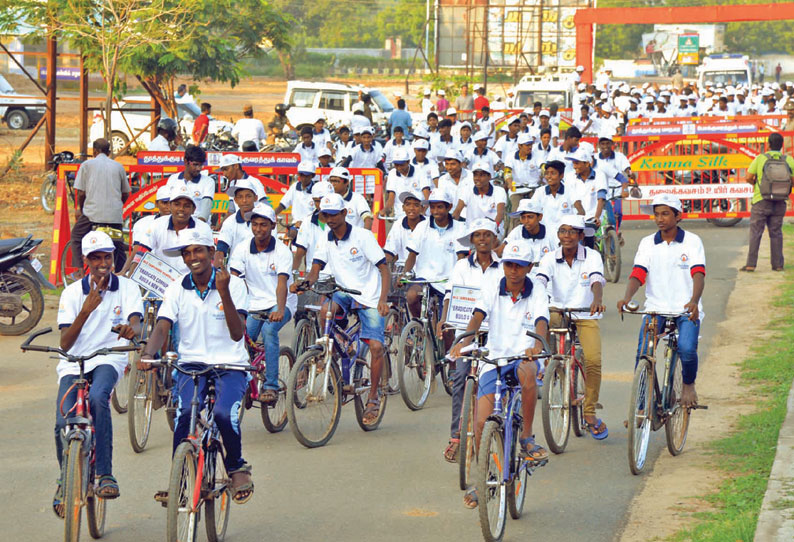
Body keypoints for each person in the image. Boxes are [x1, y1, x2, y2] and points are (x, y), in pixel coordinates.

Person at [143, 227, 254, 505]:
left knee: (223, 413)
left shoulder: (235, 285)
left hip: (231, 364)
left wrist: (224, 292)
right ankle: (179, 480)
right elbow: (163, 325)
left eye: (198, 250)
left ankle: (236, 466)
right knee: (184, 414)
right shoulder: (176, 288)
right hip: (191, 364)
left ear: (212, 253)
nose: (193, 257)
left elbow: (238, 333)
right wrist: (147, 353)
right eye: (186, 252)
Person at [449, 240, 550, 509]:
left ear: (529, 267)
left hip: (522, 356)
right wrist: (465, 340)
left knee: (528, 375)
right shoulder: (492, 286)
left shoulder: (537, 289)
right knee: (482, 422)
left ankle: (526, 437)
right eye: (508, 264)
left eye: (519, 265)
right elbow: (478, 315)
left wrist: (537, 345)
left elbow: (542, 320)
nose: (513, 270)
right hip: (493, 359)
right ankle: (485, 480)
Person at [54, 231, 143, 515]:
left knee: (98, 396)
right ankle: (64, 480)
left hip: (108, 357)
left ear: (114, 259)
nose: (103, 263)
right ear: (85, 261)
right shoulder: (71, 293)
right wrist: (86, 311)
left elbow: (136, 325)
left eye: (107, 257)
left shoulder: (128, 288)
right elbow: (65, 343)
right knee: (62, 421)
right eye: (96, 258)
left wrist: (131, 331)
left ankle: (105, 473)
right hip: (73, 361)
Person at [294, 193, 391, 424]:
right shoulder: (325, 238)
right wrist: (306, 282)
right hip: (343, 291)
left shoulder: (363, 236)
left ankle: (374, 397)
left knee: (376, 346)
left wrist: (383, 299)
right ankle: (335, 350)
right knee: (325, 310)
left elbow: (384, 268)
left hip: (369, 296)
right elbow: (316, 267)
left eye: (334, 214)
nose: (330, 219)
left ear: (345, 213)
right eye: (325, 215)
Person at [617, 194, 705, 409]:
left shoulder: (692, 241)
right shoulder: (647, 243)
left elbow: (698, 274)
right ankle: (640, 408)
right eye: (656, 214)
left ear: (678, 216)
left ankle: (688, 385)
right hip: (656, 309)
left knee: (686, 348)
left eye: (665, 213)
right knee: (643, 354)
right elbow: (638, 273)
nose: (659, 219)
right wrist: (627, 297)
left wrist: (694, 301)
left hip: (686, 310)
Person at [535, 215, 608, 439]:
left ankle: (589, 412)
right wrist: (537, 301)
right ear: (558, 234)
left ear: (580, 235)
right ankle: (547, 363)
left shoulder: (592, 256)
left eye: (572, 232)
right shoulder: (549, 258)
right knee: (540, 325)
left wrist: (596, 299)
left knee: (593, 360)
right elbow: (540, 281)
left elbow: (596, 280)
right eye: (563, 231)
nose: (567, 236)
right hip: (558, 311)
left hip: (586, 312)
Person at [438, 218, 502, 463]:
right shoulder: (462, 266)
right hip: (466, 330)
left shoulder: (505, 266)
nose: (483, 239)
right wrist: (444, 319)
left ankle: (498, 431)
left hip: (496, 331)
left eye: (487, 235)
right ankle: (456, 436)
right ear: (472, 240)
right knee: (460, 379)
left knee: (499, 381)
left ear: (495, 240)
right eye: (478, 235)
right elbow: (450, 294)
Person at [229, 203, 296, 403]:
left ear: (273, 226)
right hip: (254, 303)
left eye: (263, 225)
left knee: (269, 331)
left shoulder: (282, 252)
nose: (259, 229)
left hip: (281, 302)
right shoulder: (242, 248)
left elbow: (282, 284)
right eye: (255, 224)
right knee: (239, 336)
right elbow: (234, 279)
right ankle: (243, 379)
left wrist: (281, 309)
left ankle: (271, 386)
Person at [401, 188, 468, 320]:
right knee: (411, 296)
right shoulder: (422, 226)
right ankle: (418, 327)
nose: (435, 211)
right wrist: (405, 274)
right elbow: (412, 255)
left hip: (448, 281)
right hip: (424, 278)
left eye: (440, 207)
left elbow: (461, 258)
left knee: (446, 327)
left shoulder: (460, 227)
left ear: (449, 207)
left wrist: (460, 280)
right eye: (432, 207)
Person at [70, 138, 131, 276]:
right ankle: (123, 275)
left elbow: (81, 193)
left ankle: (79, 271)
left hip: (92, 215)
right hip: (114, 216)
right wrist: (118, 205)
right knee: (118, 246)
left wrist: (81, 209)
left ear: (94, 151)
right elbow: (126, 193)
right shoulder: (118, 166)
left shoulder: (86, 165)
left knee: (76, 236)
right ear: (109, 152)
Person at [132, 180, 214, 275]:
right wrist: (131, 281)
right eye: (177, 204)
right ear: (170, 206)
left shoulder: (203, 228)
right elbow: (141, 253)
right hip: (161, 280)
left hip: (192, 279)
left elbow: (210, 258)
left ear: (193, 210)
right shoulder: (157, 224)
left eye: (186, 206)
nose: (181, 209)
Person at [741, 132, 794, 272]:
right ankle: (777, 265)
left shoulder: (760, 158)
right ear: (782, 145)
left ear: (768, 144)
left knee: (756, 232)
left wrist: (757, 185)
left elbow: (748, 176)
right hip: (780, 201)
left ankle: (751, 264)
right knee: (776, 233)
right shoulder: (788, 160)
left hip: (761, 200)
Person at [566, 148, 607, 248]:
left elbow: (601, 198)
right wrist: (580, 212)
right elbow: (572, 197)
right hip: (577, 214)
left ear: (587, 164)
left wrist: (597, 216)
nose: (574, 166)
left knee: (589, 241)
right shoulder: (570, 177)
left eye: (577, 163)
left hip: (594, 215)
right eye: (573, 163)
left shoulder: (599, 175)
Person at [530, 160, 584, 235]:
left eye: (553, 173)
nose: (549, 176)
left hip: (565, 234)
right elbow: (531, 210)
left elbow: (580, 209)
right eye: (547, 173)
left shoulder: (569, 190)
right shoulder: (540, 192)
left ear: (561, 175)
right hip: (545, 233)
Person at [214, 177, 258, 267]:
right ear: (235, 200)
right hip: (235, 270)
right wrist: (217, 270)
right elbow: (221, 249)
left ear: (255, 198)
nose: (244, 200)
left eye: (248, 196)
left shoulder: (265, 220)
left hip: (260, 270)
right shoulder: (229, 222)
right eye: (240, 197)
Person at [499, 198, 557, 267]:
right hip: (523, 272)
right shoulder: (517, 231)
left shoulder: (551, 232)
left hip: (546, 270)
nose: (526, 221)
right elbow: (501, 249)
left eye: (530, 217)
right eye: (523, 217)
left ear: (540, 217)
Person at [292, 181, 334, 275]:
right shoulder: (307, 222)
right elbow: (300, 251)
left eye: (322, 200)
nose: (319, 204)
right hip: (312, 274)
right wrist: (292, 273)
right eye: (316, 201)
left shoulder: (341, 221)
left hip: (336, 274)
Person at [164, 145, 215, 222]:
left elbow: (205, 210)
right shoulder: (173, 179)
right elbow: (167, 206)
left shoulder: (208, 181)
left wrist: (196, 226)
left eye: (201, 165)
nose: (199, 169)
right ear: (185, 162)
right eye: (195, 164)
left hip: (198, 225)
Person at [452, 161, 506, 231]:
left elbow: (500, 213)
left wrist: (494, 228)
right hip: (472, 231)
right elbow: (457, 211)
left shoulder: (499, 191)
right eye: (475, 175)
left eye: (482, 175)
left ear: (489, 177)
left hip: (493, 230)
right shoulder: (466, 190)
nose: (477, 178)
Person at [384, 148, 432, 218]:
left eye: (402, 165)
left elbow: (427, 195)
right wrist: (386, 209)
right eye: (396, 165)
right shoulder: (392, 173)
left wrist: (423, 211)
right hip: (401, 214)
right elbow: (391, 196)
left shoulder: (420, 172)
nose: (399, 168)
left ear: (408, 162)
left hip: (419, 214)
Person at [384, 191, 426, 266]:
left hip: (425, 267)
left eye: (416, 205)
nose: (411, 208)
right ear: (403, 208)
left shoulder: (428, 223)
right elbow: (390, 250)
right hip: (403, 266)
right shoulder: (398, 224)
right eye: (408, 204)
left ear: (422, 208)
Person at [275, 160, 318, 228]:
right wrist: (273, 215)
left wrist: (304, 223)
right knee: (290, 235)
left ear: (312, 176)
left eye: (306, 176)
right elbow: (283, 204)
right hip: (295, 224)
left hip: (312, 224)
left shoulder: (317, 189)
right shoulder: (294, 187)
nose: (304, 178)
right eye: (301, 175)